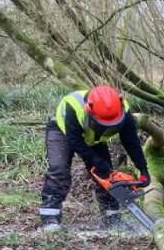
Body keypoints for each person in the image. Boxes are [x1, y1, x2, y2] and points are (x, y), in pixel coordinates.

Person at [39, 85, 150, 230]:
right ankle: (50, 217)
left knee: (107, 175)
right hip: (62, 131)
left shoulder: (123, 108)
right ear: (89, 109)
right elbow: (74, 141)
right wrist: (95, 160)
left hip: (94, 137)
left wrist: (143, 168)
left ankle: (111, 218)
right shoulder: (73, 106)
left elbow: (131, 140)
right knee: (59, 170)